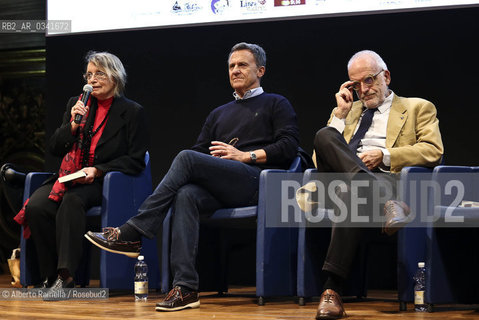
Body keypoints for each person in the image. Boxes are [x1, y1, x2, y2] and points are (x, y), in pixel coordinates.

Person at [85, 42, 300, 312]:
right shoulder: (219, 113)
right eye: (231, 66)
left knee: (186, 157)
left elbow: (290, 147)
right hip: (221, 187)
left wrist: (246, 156)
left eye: (242, 65)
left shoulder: (276, 103)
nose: (235, 70)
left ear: (261, 70)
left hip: (258, 183)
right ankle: (186, 288)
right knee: (186, 194)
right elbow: (200, 153)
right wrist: (210, 165)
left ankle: (134, 230)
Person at [298, 50, 443, 319]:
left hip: (383, 180)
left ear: (385, 76)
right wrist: (340, 116)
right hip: (368, 193)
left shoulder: (417, 107)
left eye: (369, 80)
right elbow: (320, 158)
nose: (363, 90)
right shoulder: (345, 113)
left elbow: (433, 150)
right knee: (324, 134)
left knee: (351, 193)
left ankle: (331, 292)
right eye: (355, 85)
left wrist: (385, 155)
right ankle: (385, 201)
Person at [15, 51, 149, 293]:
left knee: (71, 202)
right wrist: (74, 124)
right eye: (89, 74)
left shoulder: (131, 112)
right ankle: (50, 276)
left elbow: (136, 160)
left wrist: (98, 171)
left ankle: (66, 276)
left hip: (103, 181)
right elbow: (55, 147)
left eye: (99, 73)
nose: (92, 80)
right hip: (70, 177)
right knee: (36, 206)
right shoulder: (76, 105)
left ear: (115, 77)